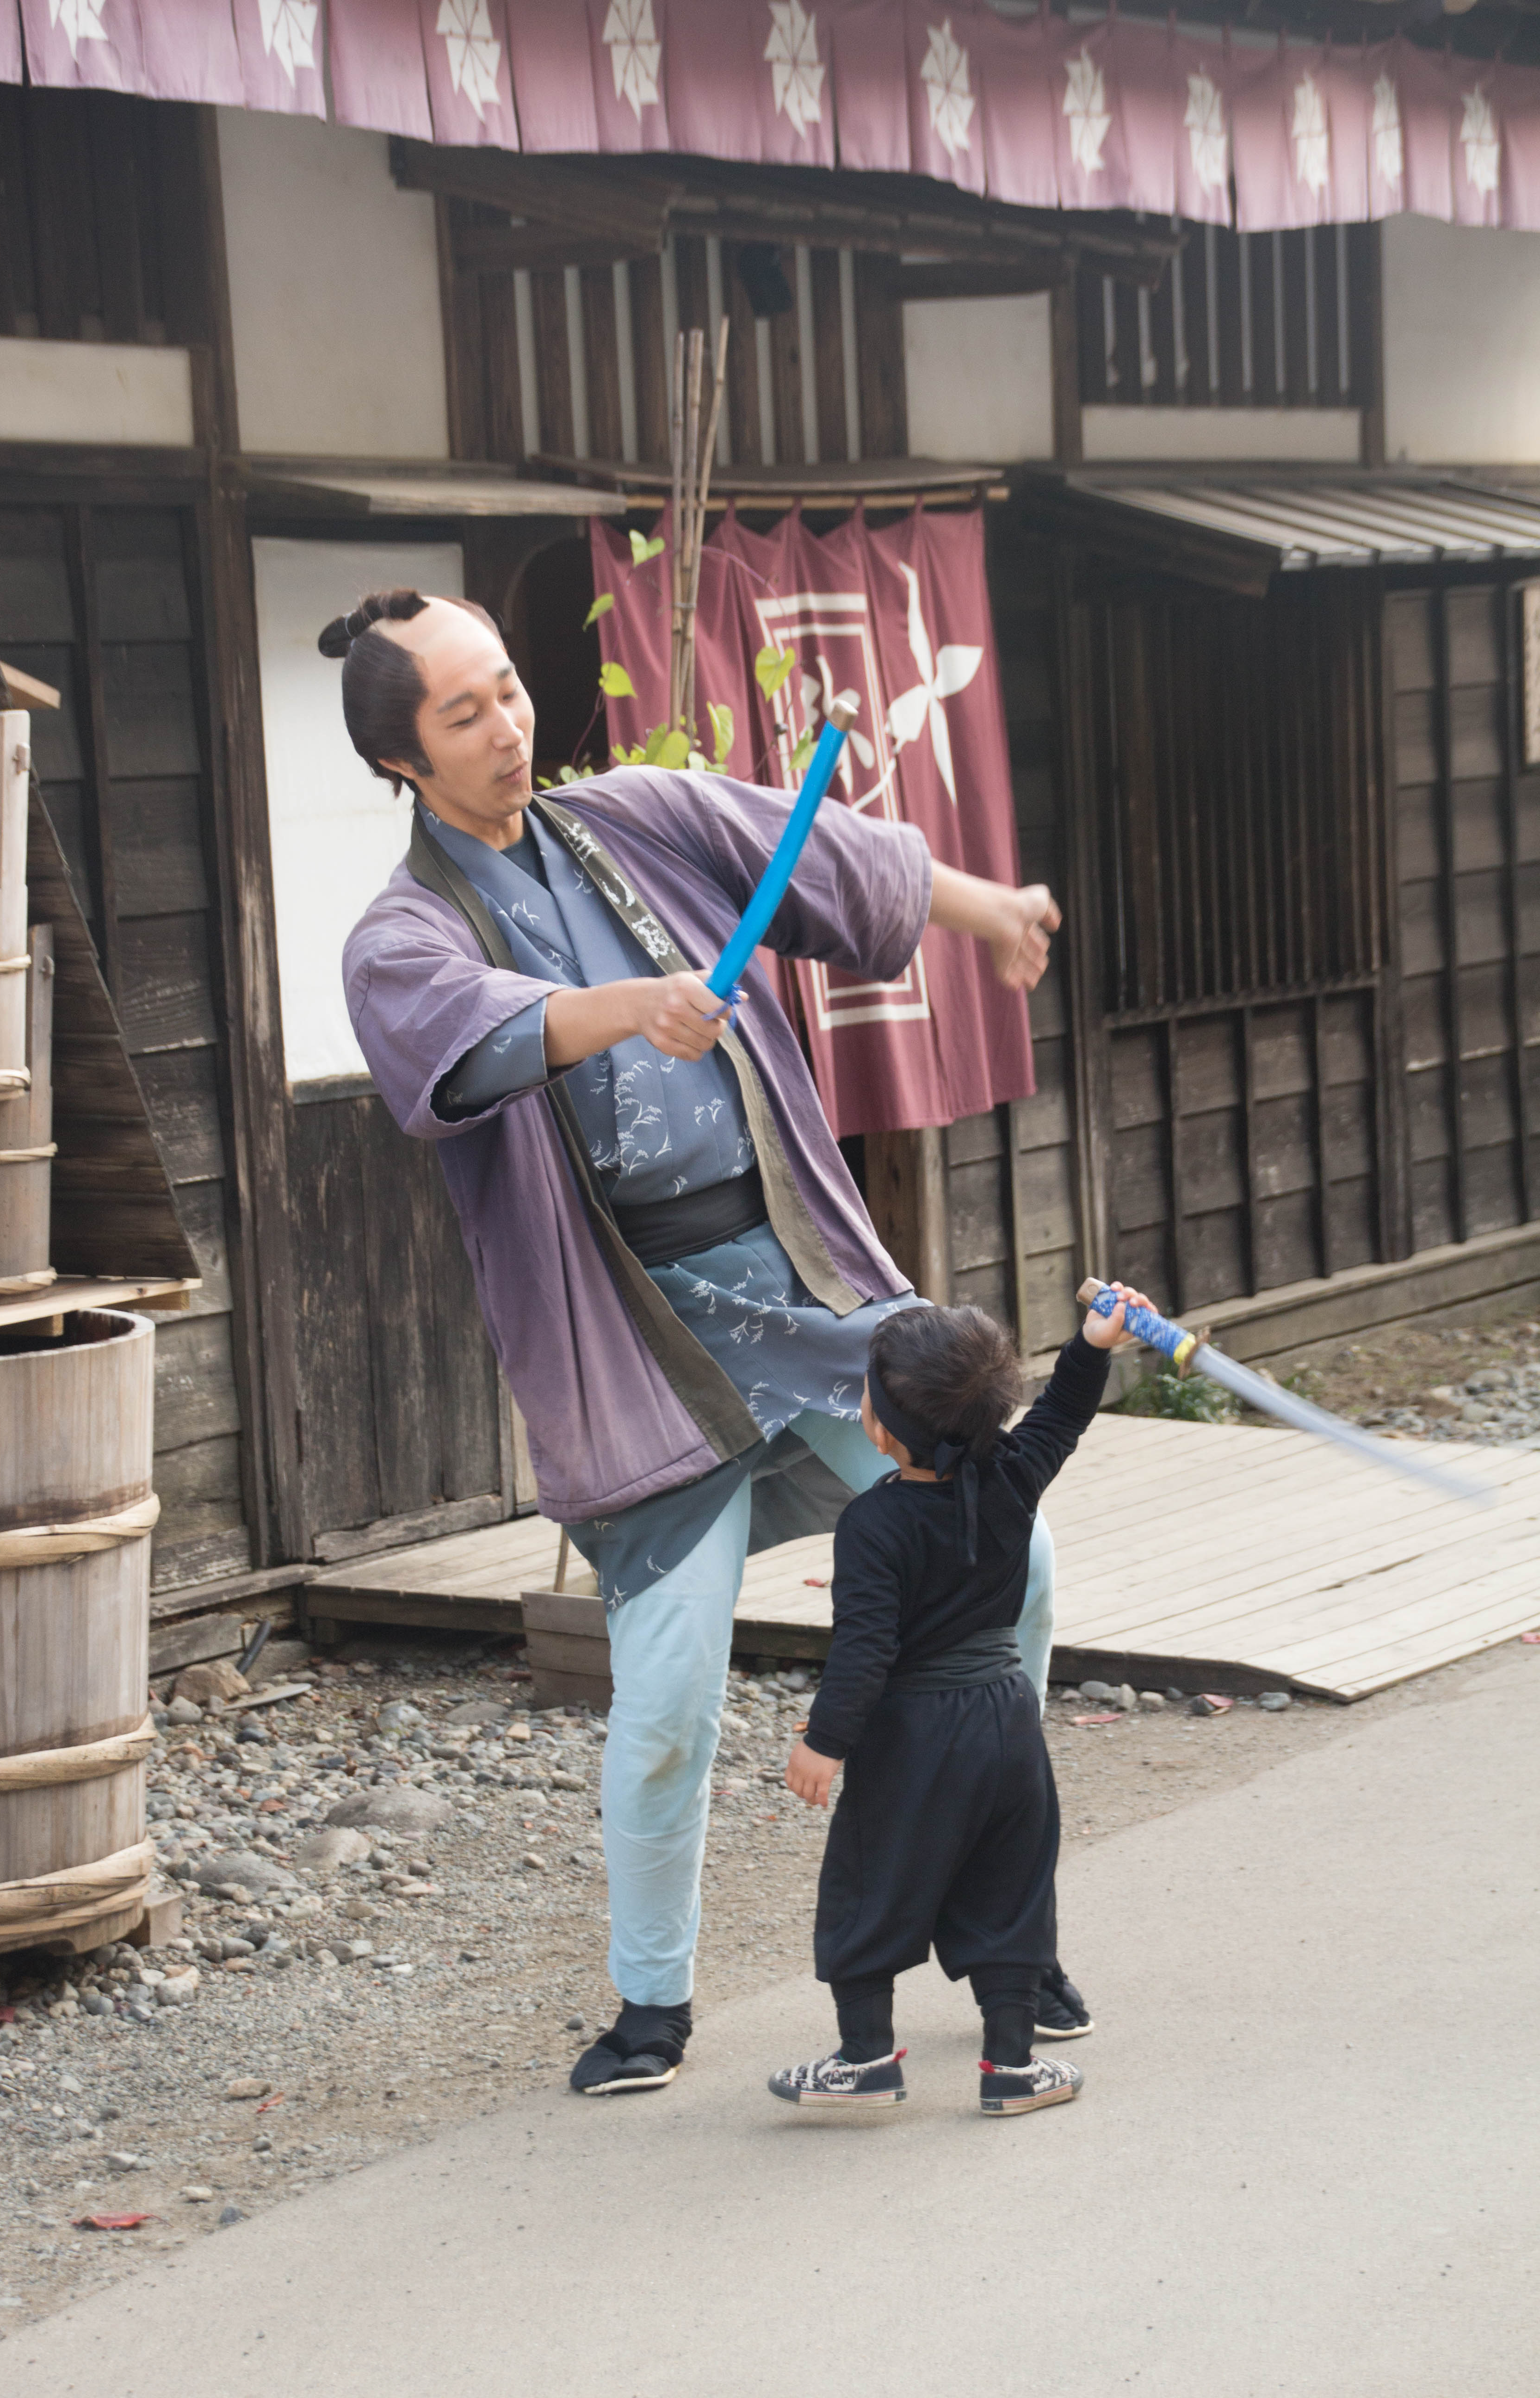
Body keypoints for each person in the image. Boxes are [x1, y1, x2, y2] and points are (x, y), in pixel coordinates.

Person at [335, 586, 1064, 2096]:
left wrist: (988, 908)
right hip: (634, 1342)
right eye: (463, 714)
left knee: (1015, 1555)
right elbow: (476, 1036)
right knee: (669, 1699)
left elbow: (826, 850)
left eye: (508, 689)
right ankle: (650, 2004)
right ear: (402, 759)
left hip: (797, 1281)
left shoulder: (634, 816)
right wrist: (628, 1007)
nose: (507, 726)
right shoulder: (399, 937)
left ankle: (1000, 1910)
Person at [767, 1287, 1148, 2118]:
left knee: (870, 1884)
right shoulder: (1014, 1477)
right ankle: (1011, 2068)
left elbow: (867, 1649)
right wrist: (1091, 1346)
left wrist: (825, 1742)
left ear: (880, 1426)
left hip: (916, 1733)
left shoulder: (873, 1524)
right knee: (1010, 1886)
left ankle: (866, 2059)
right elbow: (1062, 1417)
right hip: (1009, 1720)